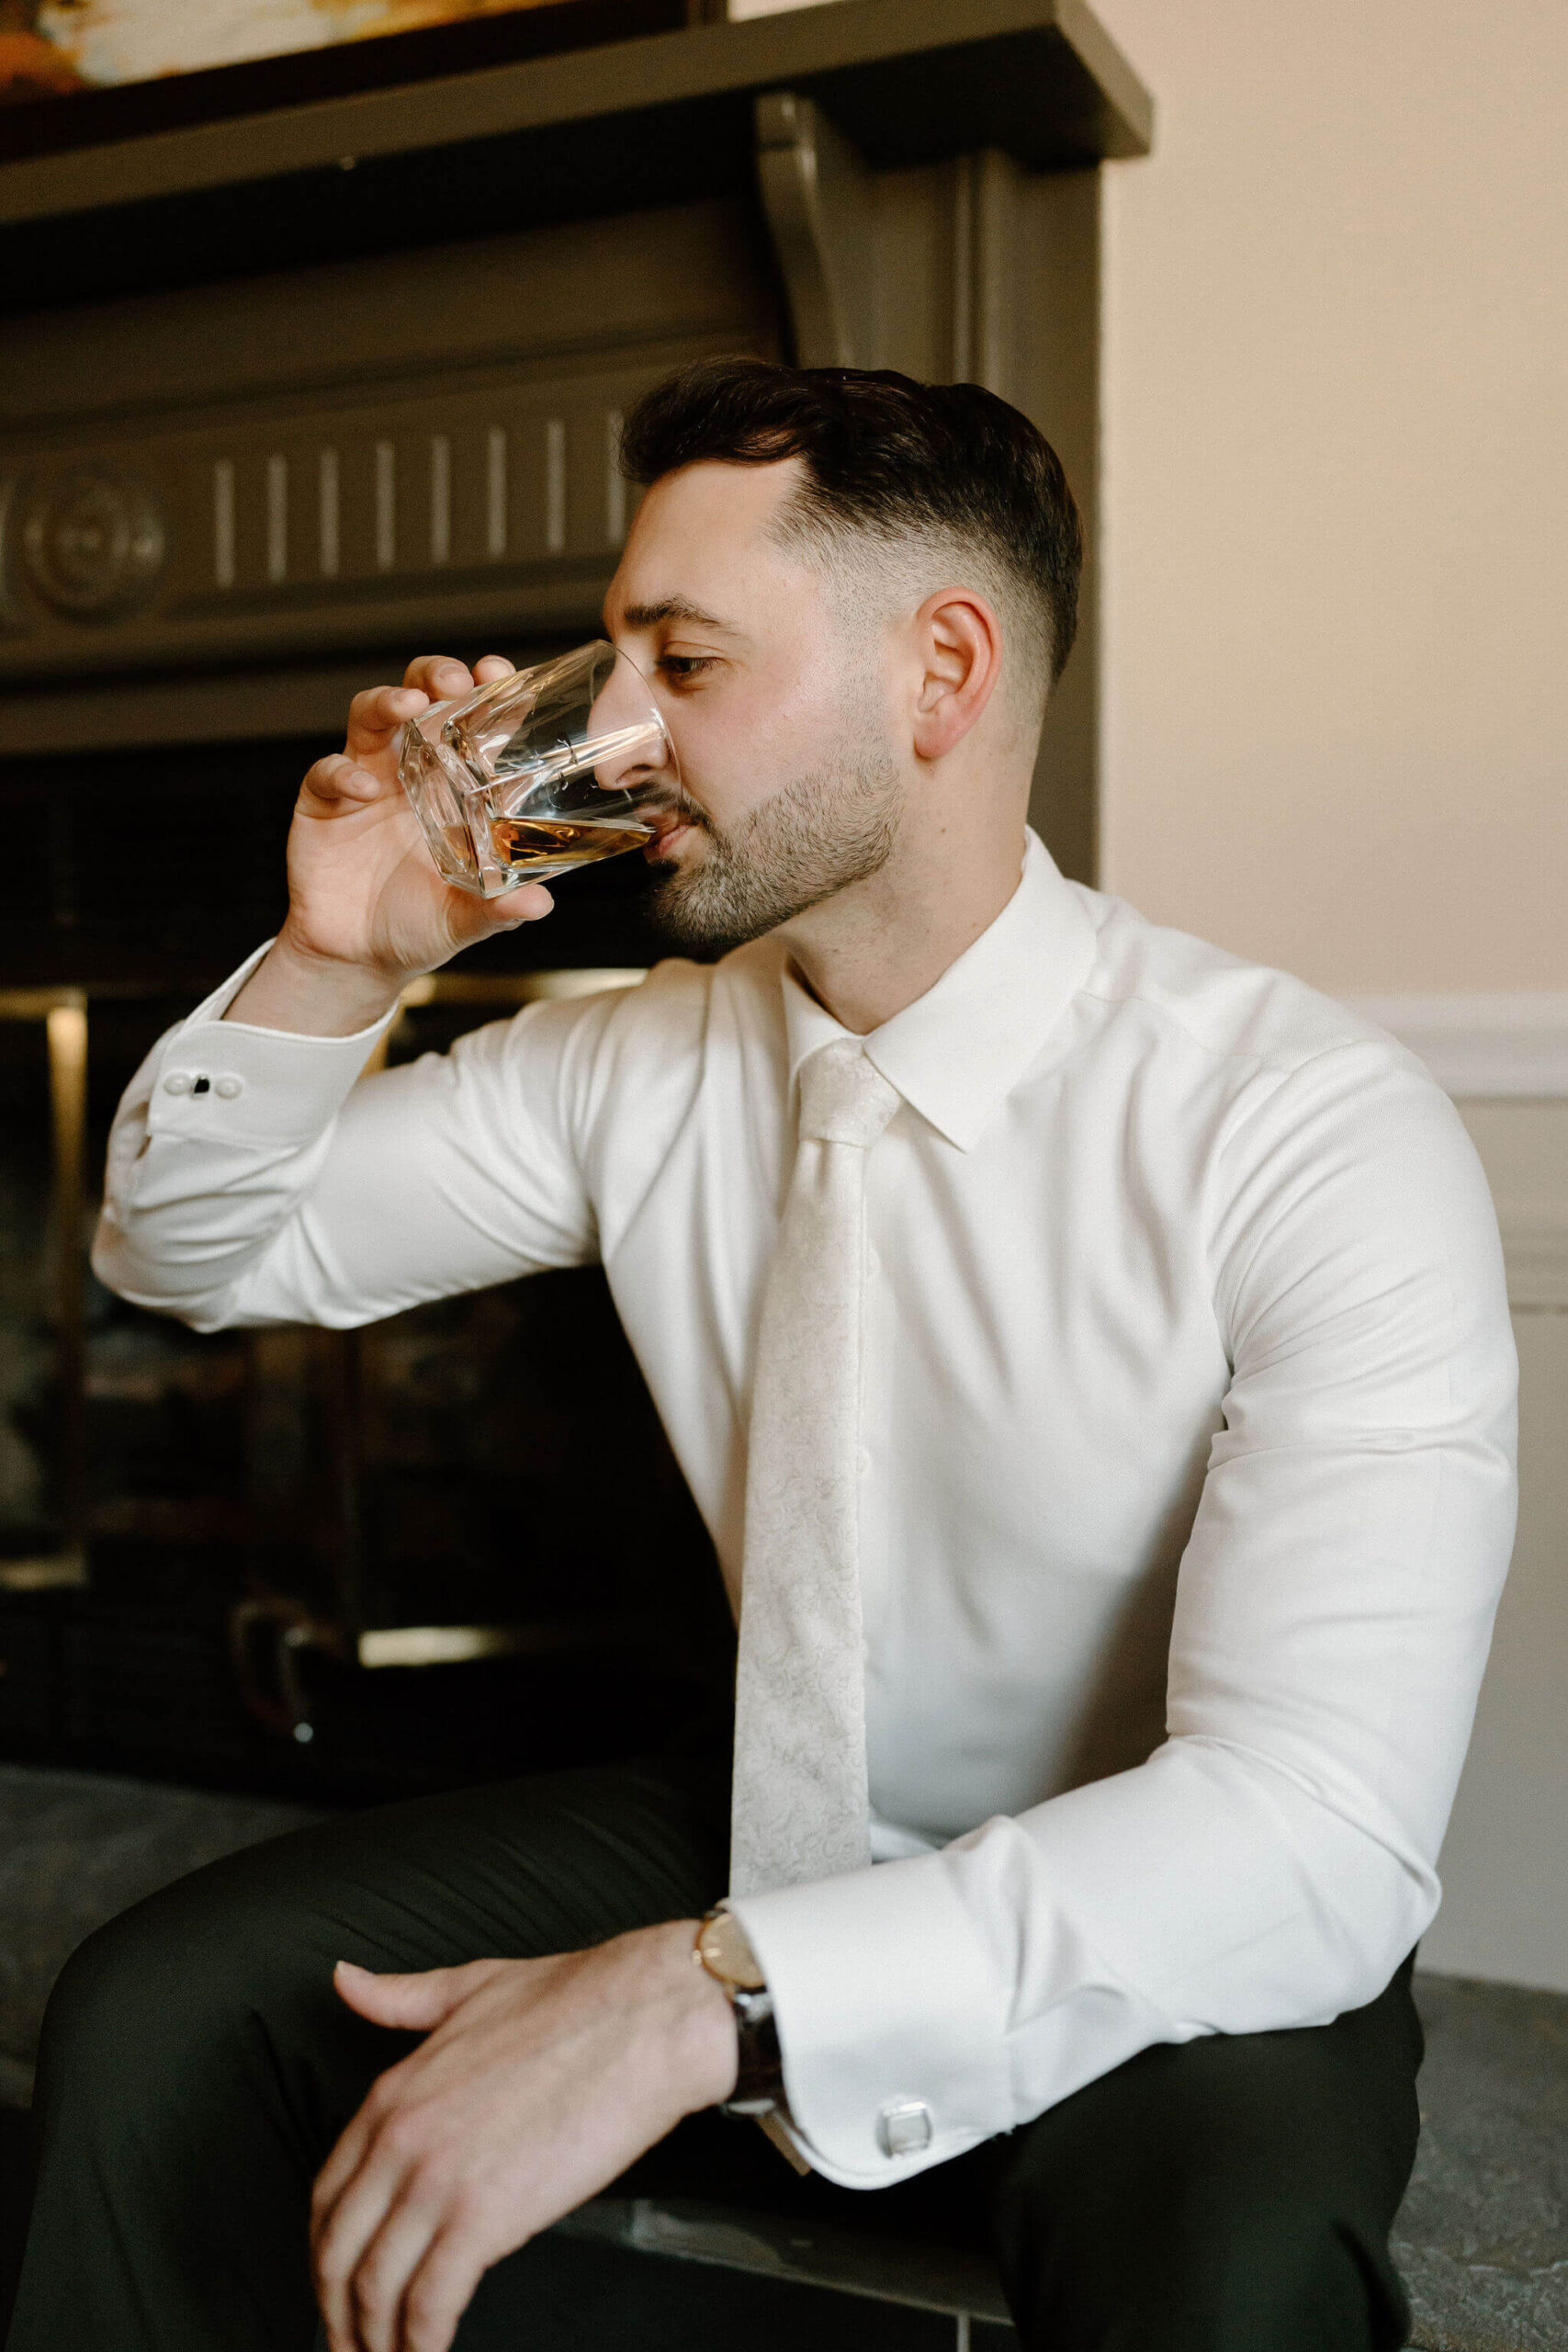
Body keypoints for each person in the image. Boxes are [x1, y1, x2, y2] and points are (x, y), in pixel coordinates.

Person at [7, 359, 1516, 2352]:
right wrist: (341, 953)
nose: (609, 729)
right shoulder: (639, 1057)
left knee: (1227, 2279)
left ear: (940, 673)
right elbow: (186, 1247)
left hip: (1156, 1874)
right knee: (157, 2011)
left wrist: (706, 1992)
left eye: (685, 662)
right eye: (608, 653)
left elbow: (1307, 1820)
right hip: (751, 1801)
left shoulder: (1306, 1129)